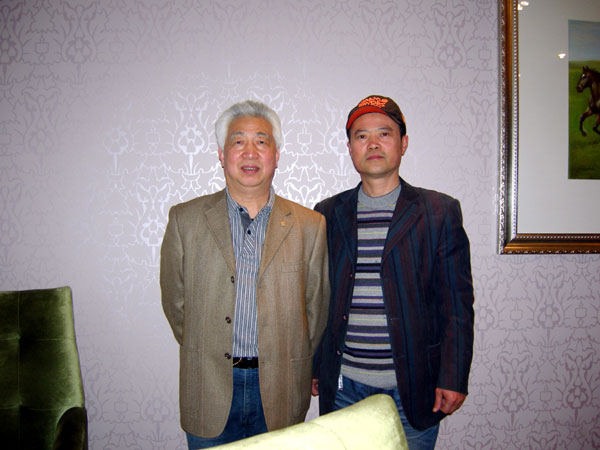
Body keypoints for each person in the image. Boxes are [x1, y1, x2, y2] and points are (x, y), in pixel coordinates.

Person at [160, 100, 329, 449]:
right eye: (238, 141)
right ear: (222, 155)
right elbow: (176, 305)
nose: (250, 152)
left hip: (282, 388)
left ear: (276, 155)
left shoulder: (310, 226)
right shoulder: (185, 220)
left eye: (261, 142)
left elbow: (316, 310)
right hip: (208, 386)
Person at [312, 95, 474, 450]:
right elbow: (318, 298)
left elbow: (457, 306)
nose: (372, 143)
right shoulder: (327, 214)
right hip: (343, 385)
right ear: (350, 148)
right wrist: (315, 366)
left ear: (403, 143)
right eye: (361, 135)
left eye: (384, 133)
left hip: (413, 387)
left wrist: (453, 375)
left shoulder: (438, 212)